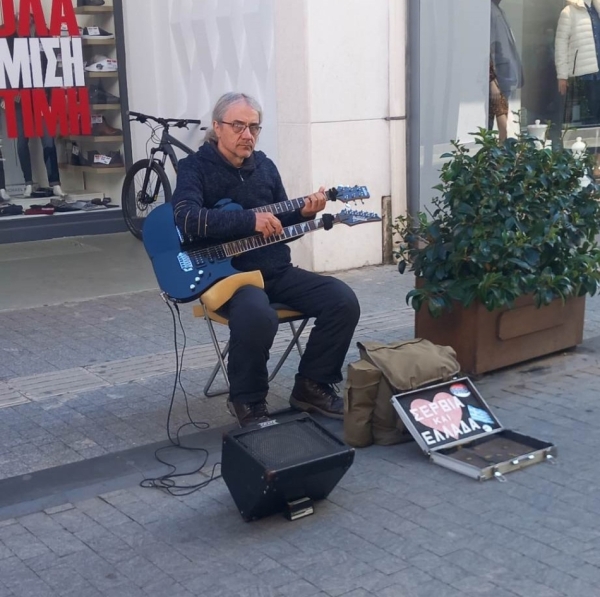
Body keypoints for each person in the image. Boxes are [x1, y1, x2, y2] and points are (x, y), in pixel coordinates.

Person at [171, 92, 361, 427]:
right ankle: (248, 401)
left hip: (276, 270)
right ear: (217, 127)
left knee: (342, 300)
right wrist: (248, 221)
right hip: (229, 279)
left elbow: (281, 228)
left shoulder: (266, 167)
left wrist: (302, 214)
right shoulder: (194, 168)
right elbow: (186, 218)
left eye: (254, 128)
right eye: (239, 126)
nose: (248, 135)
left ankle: (311, 385)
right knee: (258, 316)